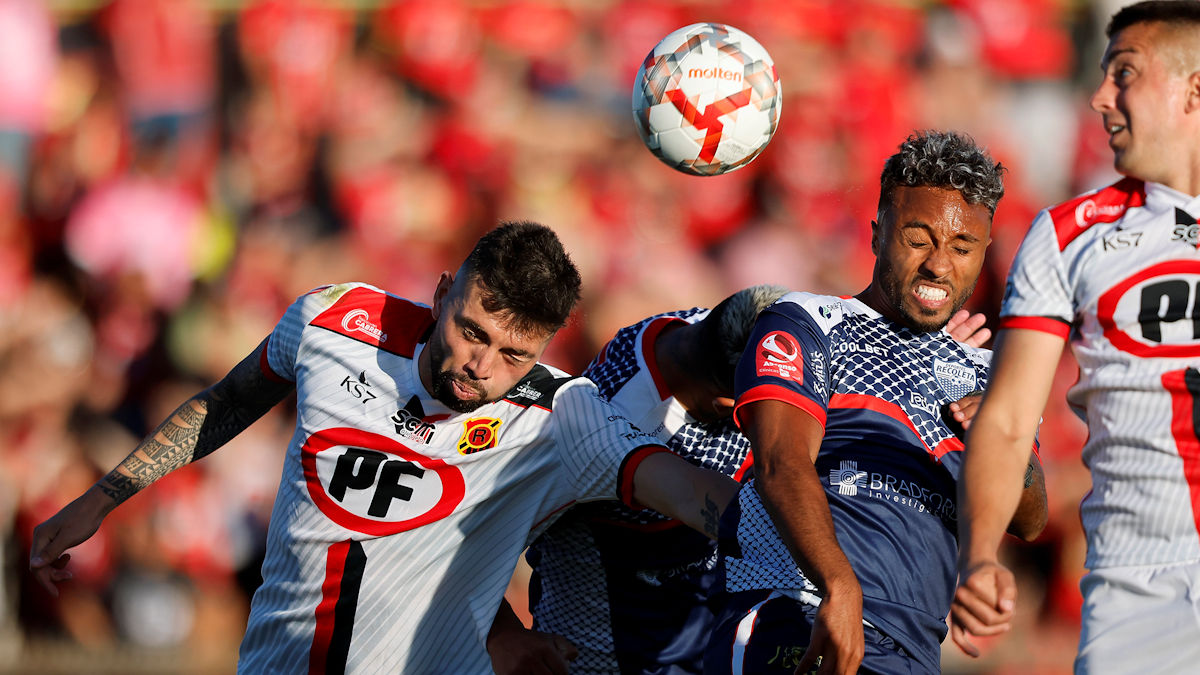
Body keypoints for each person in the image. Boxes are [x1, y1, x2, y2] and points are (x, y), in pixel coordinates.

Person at [28, 221, 741, 674]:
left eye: (514, 354)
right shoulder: (333, 320)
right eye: (472, 330)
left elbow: (685, 491)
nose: (481, 365)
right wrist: (102, 497)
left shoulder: (562, 412)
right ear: (440, 294)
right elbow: (231, 399)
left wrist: (810, 548)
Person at [486, 291, 993, 675]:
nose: (791, 405)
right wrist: (503, 636)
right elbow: (469, 530)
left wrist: (925, 361)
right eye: (771, 404)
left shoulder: (726, 334)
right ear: (731, 410)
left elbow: (827, 336)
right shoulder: (599, 422)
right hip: (607, 658)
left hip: (717, 642)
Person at [704, 131, 1048, 675]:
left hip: (913, 651)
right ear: (876, 235)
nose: (939, 265)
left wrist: (1003, 443)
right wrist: (839, 584)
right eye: (918, 238)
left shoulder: (988, 372)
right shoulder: (805, 322)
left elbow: (1030, 520)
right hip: (797, 615)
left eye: (961, 249)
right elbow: (780, 462)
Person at [952, 2, 1200, 672]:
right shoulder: (1068, 235)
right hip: (1135, 589)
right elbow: (1007, 419)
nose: (1099, 98)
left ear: (1194, 89)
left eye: (1124, 75)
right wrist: (978, 553)